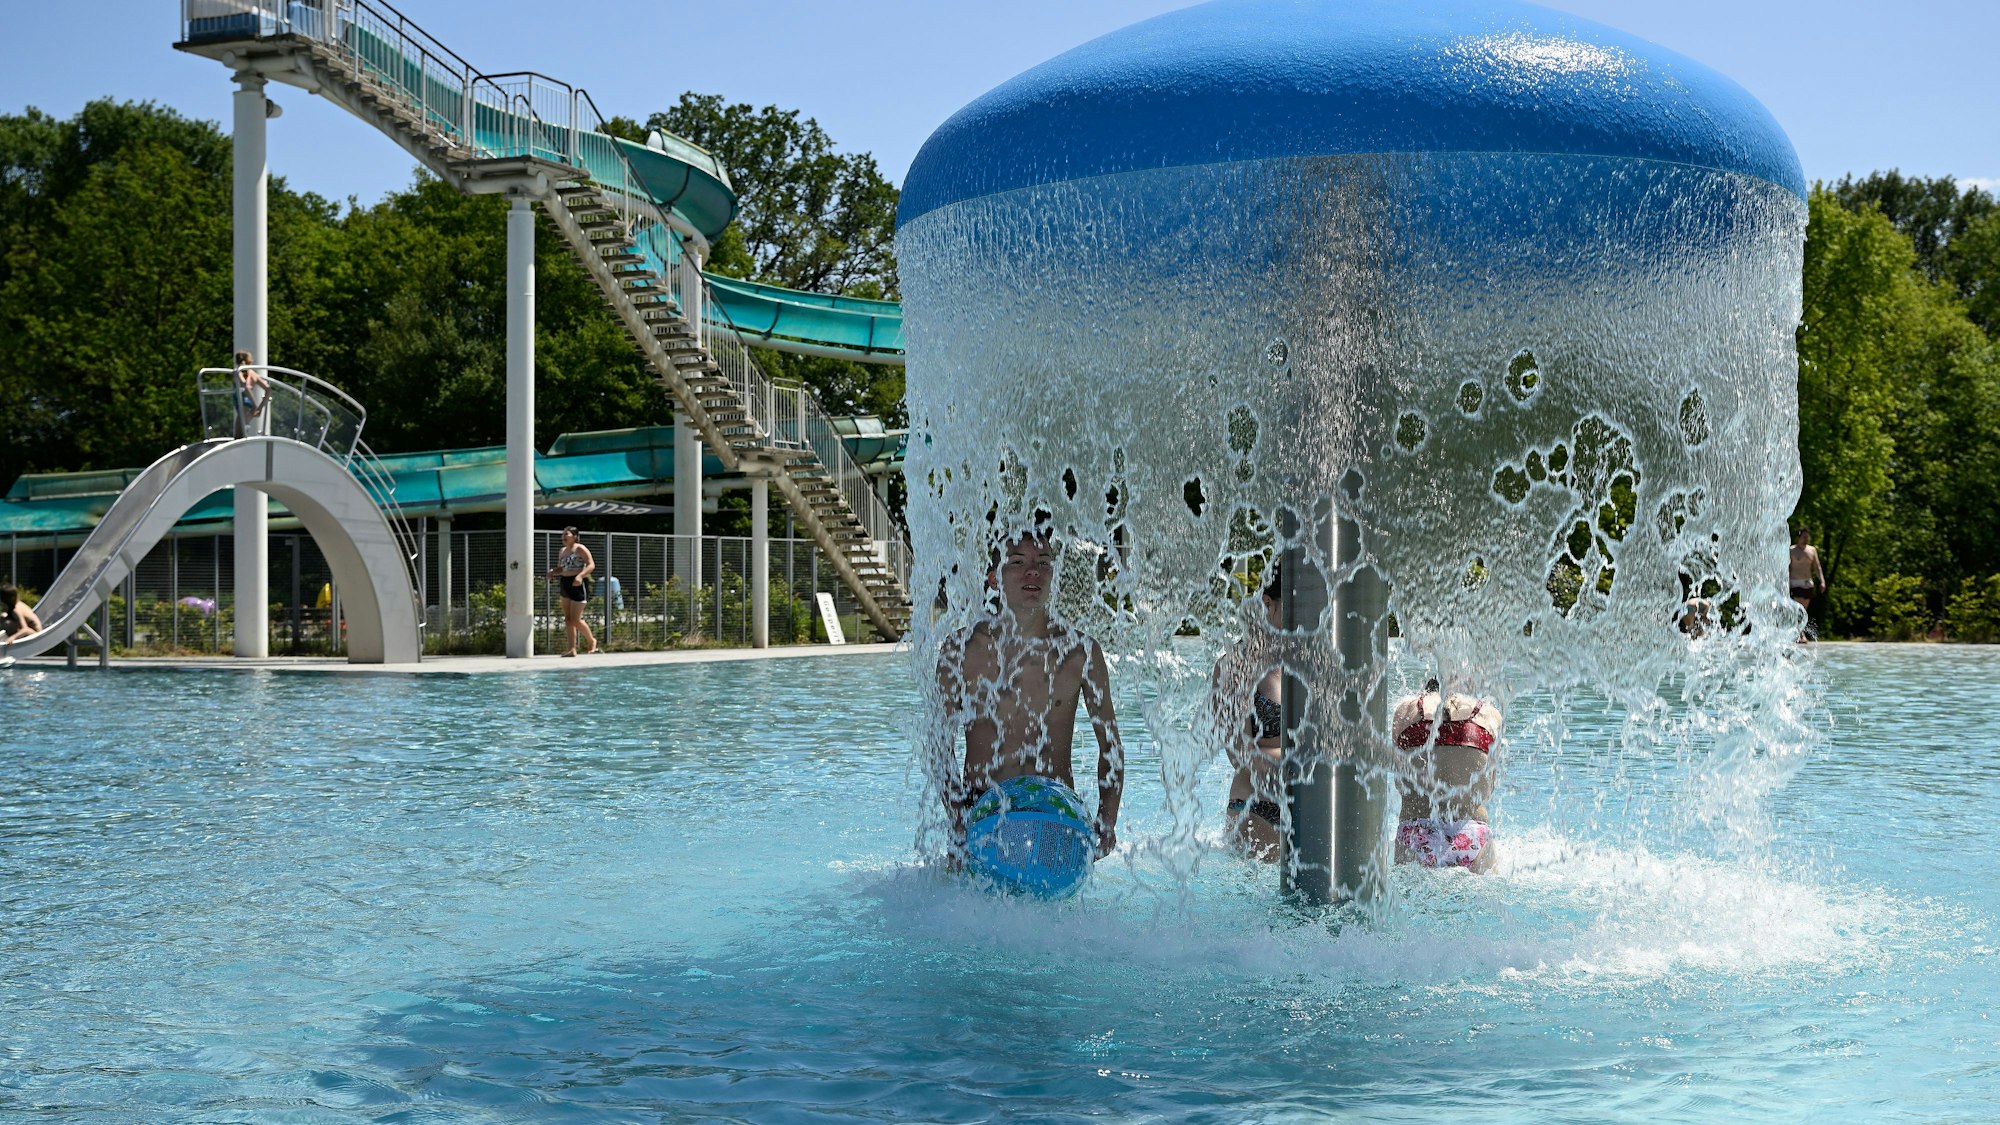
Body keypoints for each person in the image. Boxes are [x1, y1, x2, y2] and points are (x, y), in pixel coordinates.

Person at [934, 531, 1124, 864]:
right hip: (982, 816)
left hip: (1056, 817)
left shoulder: (1081, 653)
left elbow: (1110, 746)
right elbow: (940, 745)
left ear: (1053, 575)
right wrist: (958, 819)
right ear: (994, 579)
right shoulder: (960, 651)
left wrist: (1106, 823)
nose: (1032, 572)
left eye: (1042, 563)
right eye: (1017, 562)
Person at [1212, 567, 1286, 862]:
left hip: (1309, 811)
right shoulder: (1235, 666)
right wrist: (1304, 758)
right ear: (1268, 603)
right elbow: (1238, 754)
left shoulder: (1310, 660)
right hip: (1257, 808)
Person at [1392, 679, 1503, 872]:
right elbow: (1489, 787)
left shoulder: (1404, 712)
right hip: (1470, 836)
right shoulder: (1489, 715)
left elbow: (1399, 779)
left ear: (1426, 692)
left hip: (1415, 834)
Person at [544, 527, 599, 657]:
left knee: (575, 619)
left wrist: (580, 576)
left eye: (566, 534)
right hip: (565, 583)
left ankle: (592, 640)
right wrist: (553, 572)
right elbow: (562, 567)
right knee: (568, 619)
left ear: (575, 536)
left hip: (577, 584)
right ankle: (571, 649)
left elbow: (591, 565)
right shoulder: (562, 551)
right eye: (562, 534)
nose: (563, 536)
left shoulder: (580, 549)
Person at [1789, 525, 1826, 641]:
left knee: (1804, 610)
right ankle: (1800, 635)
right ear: (1799, 538)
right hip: (1795, 582)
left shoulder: (1812, 550)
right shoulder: (1791, 550)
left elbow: (1817, 566)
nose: (1806, 539)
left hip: (1807, 583)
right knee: (1797, 609)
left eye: (1807, 537)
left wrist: (1822, 581)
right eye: (1804, 537)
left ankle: (1800, 633)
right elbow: (1786, 567)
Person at [1, 583, 43, 665]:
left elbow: (25, 629)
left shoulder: (16, 610)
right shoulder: (18, 604)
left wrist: (13, 638)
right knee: (4, 618)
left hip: (35, 634)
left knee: (7, 623)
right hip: (30, 631)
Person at [234, 349, 267, 435]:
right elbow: (268, 390)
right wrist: (260, 408)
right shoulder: (253, 374)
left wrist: (256, 406)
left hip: (243, 404)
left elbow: (245, 385)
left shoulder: (238, 372)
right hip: (248, 404)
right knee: (244, 430)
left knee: (238, 435)